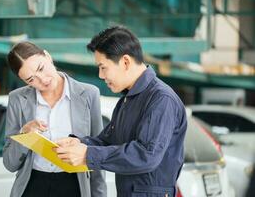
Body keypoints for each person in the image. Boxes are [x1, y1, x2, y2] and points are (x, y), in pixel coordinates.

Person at [54, 26, 187, 197]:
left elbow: (147, 155)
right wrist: (79, 144)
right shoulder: (127, 100)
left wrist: (88, 154)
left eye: (103, 67)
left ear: (125, 62)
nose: (101, 75)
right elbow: (108, 142)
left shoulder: (161, 99)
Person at [2, 41, 106, 197]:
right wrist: (24, 134)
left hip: (74, 185)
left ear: (48, 56)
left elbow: (98, 151)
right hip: (33, 185)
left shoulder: (89, 94)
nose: (42, 80)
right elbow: (10, 163)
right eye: (31, 79)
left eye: (41, 68)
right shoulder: (17, 99)